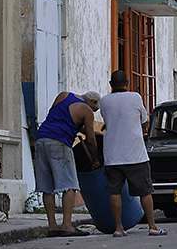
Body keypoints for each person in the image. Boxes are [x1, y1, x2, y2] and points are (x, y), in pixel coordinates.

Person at [101, 70, 167, 237]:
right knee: (145, 191)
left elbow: (108, 120)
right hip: (135, 154)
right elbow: (144, 119)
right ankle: (152, 226)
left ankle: (118, 228)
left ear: (111, 84)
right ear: (127, 83)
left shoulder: (105, 101)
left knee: (115, 193)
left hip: (112, 155)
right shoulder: (135, 97)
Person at [35, 91, 101, 237]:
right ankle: (67, 225)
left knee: (47, 187)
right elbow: (90, 141)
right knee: (69, 185)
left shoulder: (63, 95)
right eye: (95, 109)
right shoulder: (87, 110)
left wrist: (86, 130)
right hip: (59, 142)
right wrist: (95, 160)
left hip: (41, 138)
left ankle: (52, 226)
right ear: (93, 103)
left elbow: (59, 118)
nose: (93, 112)